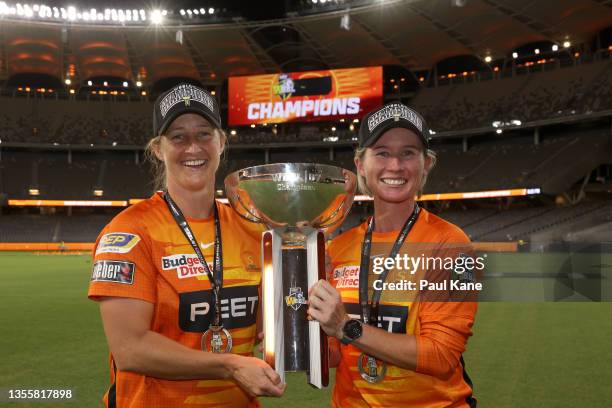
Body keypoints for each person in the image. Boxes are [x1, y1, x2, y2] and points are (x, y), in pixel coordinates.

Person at [88, 83, 284, 407]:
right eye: (178, 137)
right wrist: (230, 365)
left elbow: (266, 325)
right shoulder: (129, 232)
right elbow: (130, 349)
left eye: (204, 134)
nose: (193, 147)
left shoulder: (253, 226)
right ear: (157, 149)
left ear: (221, 142)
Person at [308, 102, 478, 407]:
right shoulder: (337, 248)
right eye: (382, 152)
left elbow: (441, 356)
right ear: (361, 164)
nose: (395, 166)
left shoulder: (451, 244)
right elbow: (332, 355)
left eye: (408, 153)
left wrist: (347, 327)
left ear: (426, 163)